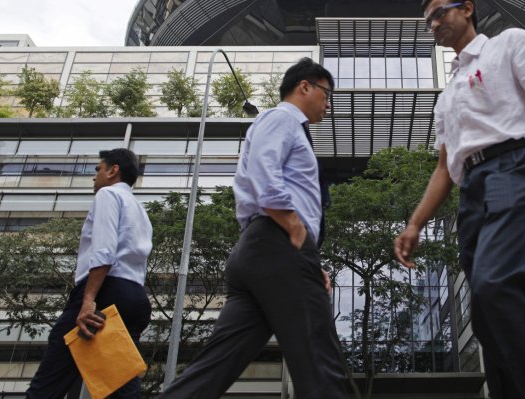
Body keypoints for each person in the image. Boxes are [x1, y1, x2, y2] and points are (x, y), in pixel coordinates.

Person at [394, 0, 525, 399]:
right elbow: (444, 167)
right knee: (486, 315)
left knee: (494, 283)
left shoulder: (508, 45)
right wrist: (414, 224)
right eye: (428, 20)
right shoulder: (447, 96)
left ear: (467, 9)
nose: (433, 24)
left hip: (515, 165)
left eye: (439, 13)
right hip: (473, 188)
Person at [159, 58, 348, 399]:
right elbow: (265, 171)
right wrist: (294, 229)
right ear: (304, 86)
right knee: (319, 359)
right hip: (278, 243)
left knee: (214, 367)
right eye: (326, 93)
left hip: (261, 251)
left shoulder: (286, 126)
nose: (329, 104)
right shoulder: (282, 119)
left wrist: (311, 260)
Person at [27, 148, 153, 399]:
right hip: (134, 296)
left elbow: (105, 250)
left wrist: (88, 300)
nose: (94, 176)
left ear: (113, 171)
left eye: (98, 169)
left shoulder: (108, 194)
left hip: (103, 293)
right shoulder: (140, 210)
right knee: (121, 387)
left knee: (49, 381)